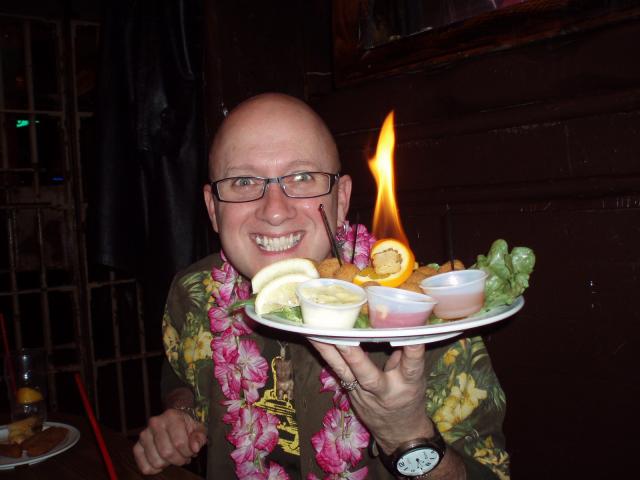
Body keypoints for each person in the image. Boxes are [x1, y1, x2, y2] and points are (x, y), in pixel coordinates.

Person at [134, 93, 510, 479]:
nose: (274, 210)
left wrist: (406, 434)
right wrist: (180, 413)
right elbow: (181, 374)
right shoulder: (194, 292)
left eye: (302, 178)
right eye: (244, 181)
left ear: (341, 198)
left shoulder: (432, 323)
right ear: (213, 208)